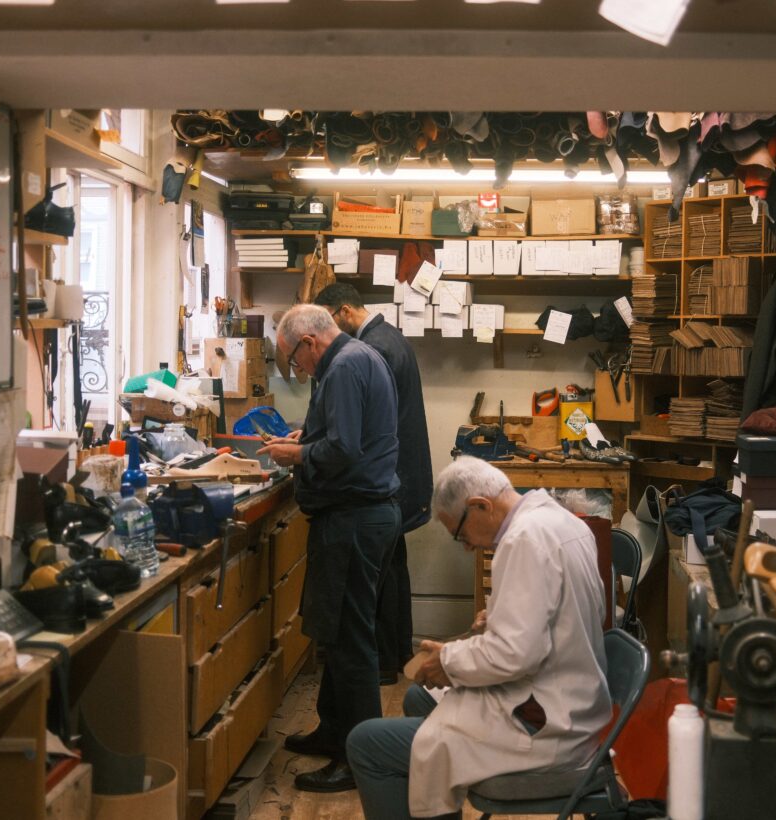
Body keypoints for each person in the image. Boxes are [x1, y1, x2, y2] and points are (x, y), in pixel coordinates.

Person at [345, 456, 612, 819]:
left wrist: (449, 661)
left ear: (480, 506)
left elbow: (516, 655)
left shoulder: (522, 540)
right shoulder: (561, 520)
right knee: (418, 697)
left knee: (365, 743)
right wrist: (504, 615)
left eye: (460, 535)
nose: (468, 547)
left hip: (548, 727)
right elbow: (573, 612)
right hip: (577, 703)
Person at [260, 304, 402, 793]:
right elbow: (349, 435)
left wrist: (294, 452)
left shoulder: (341, 366)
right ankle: (333, 732)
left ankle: (358, 759)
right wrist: (310, 434)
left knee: (351, 642)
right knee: (339, 635)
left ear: (310, 342)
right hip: (365, 516)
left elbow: (344, 451)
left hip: (355, 519)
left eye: (295, 361)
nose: (298, 370)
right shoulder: (360, 355)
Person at [313, 283, 433, 684]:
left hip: (387, 480)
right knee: (391, 571)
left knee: (378, 581)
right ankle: (394, 654)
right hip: (399, 478)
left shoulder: (370, 350)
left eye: (327, 321)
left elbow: (359, 432)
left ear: (344, 311)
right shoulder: (387, 337)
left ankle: (383, 662)